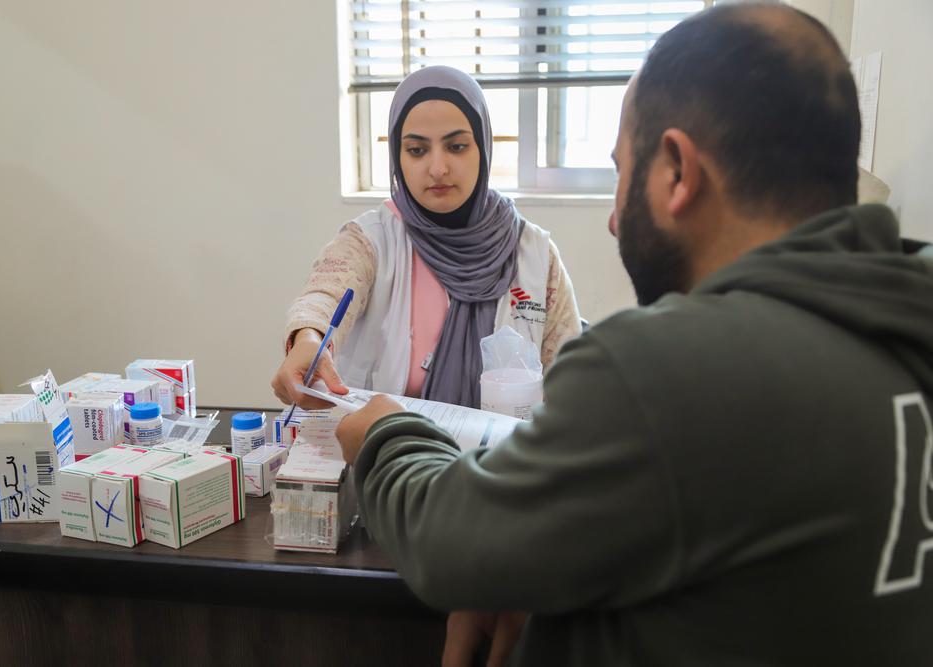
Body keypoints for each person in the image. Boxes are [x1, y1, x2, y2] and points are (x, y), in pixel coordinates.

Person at [334, 3, 933, 666]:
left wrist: (385, 433)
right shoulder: (903, 321)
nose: (616, 219)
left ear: (676, 170)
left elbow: (452, 544)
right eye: (416, 149)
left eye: (621, 172)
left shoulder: (663, 369)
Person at [272, 66, 581, 411]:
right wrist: (308, 337)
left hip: (506, 461)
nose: (438, 168)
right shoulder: (370, 241)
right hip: (387, 456)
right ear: (397, 157)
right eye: (417, 150)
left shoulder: (534, 255)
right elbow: (323, 295)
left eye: (457, 146)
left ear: (483, 147)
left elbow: (572, 379)